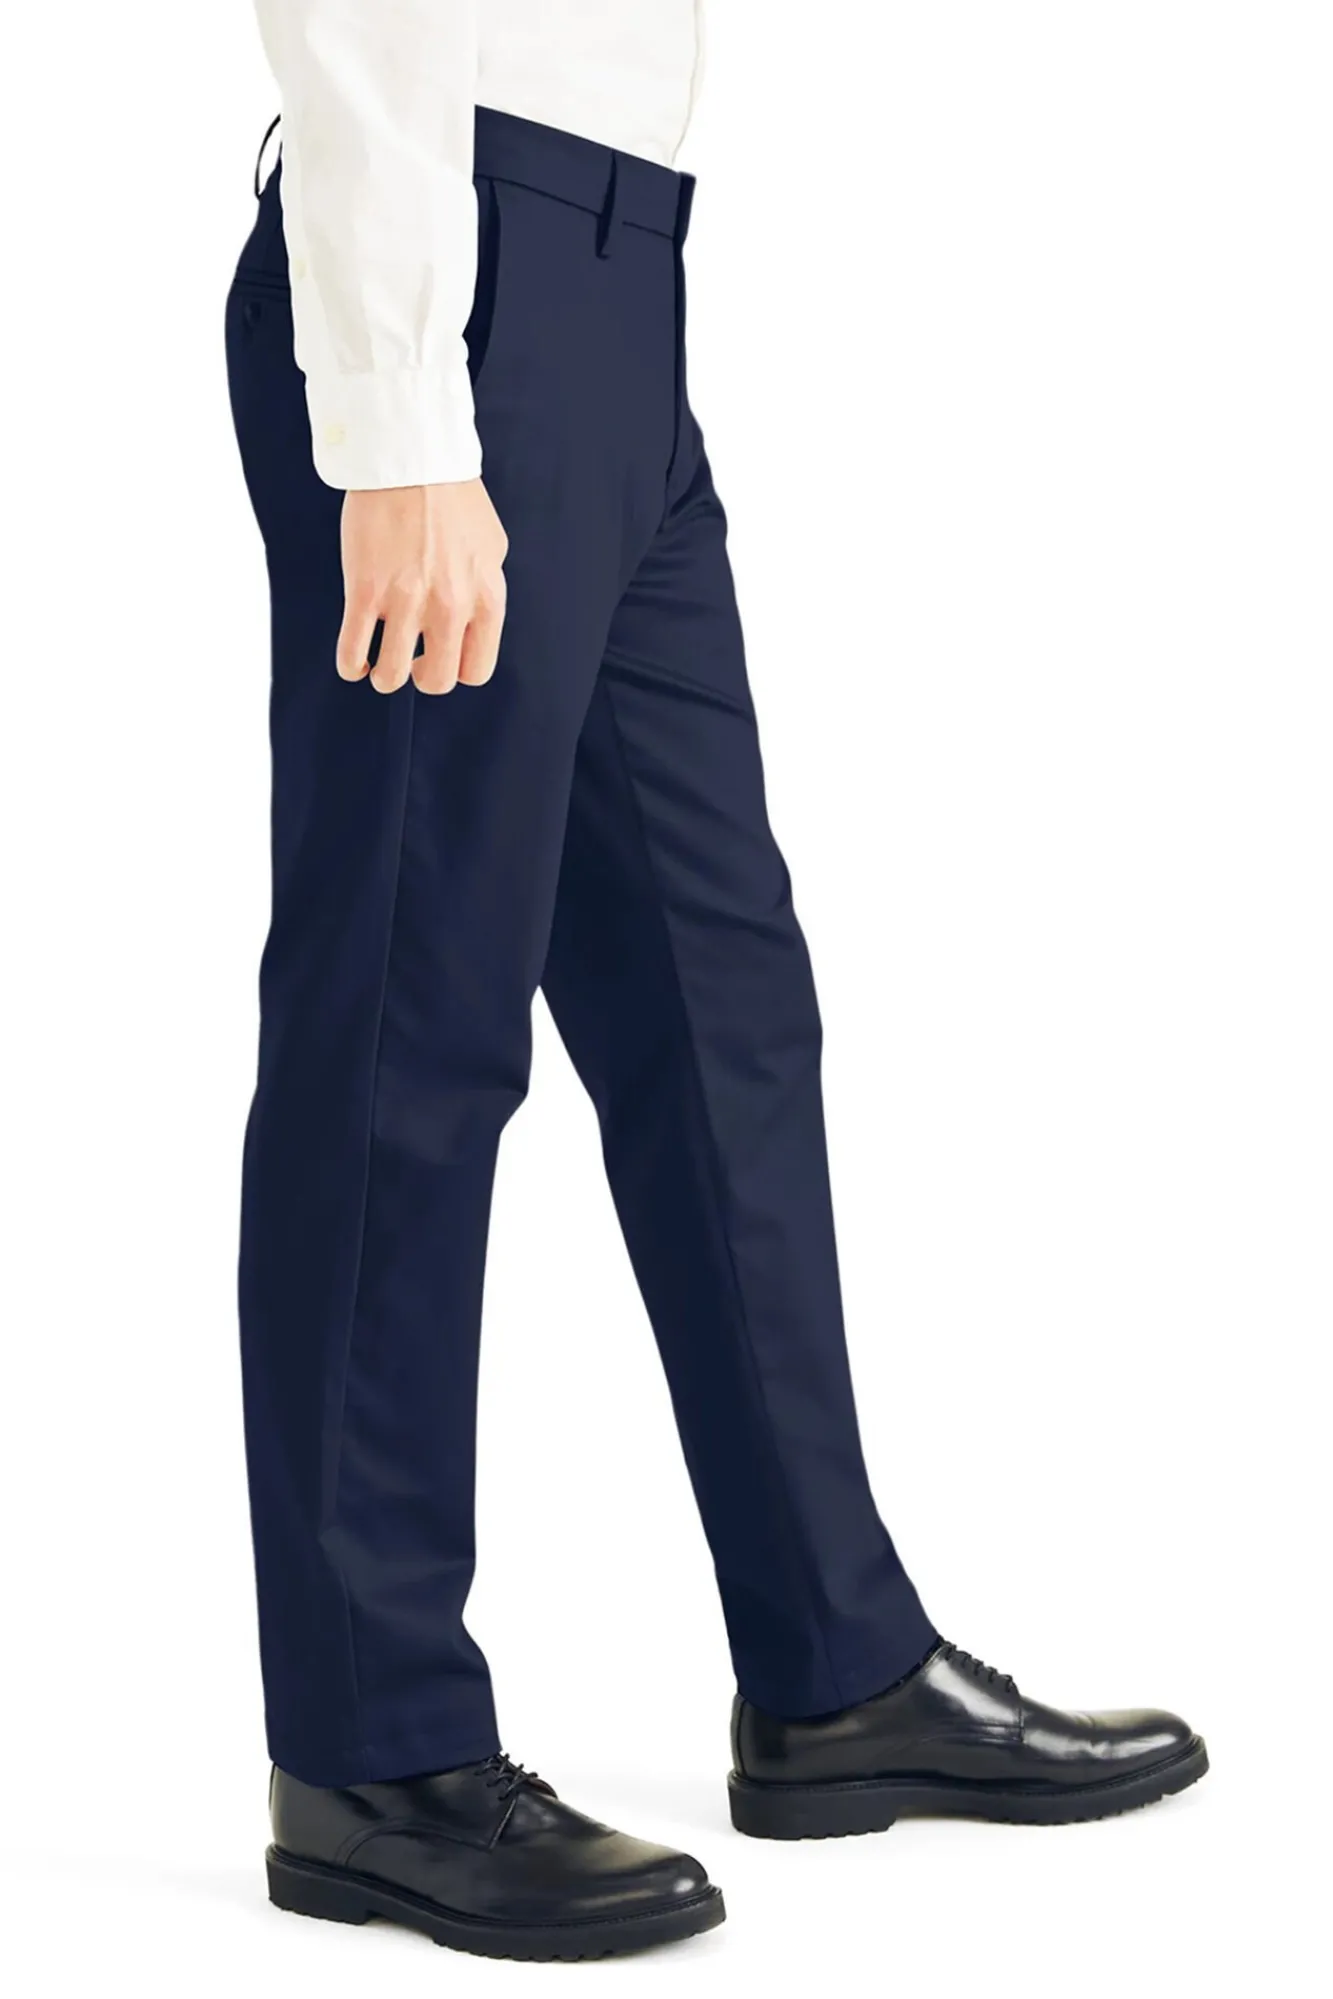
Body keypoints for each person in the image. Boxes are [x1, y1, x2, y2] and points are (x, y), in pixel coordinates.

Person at [225, 1, 1207, 1962]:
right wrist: (400, 416)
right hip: (462, 276)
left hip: (624, 281)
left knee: (721, 1009)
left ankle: (836, 1665)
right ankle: (369, 1748)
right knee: (412, 1026)